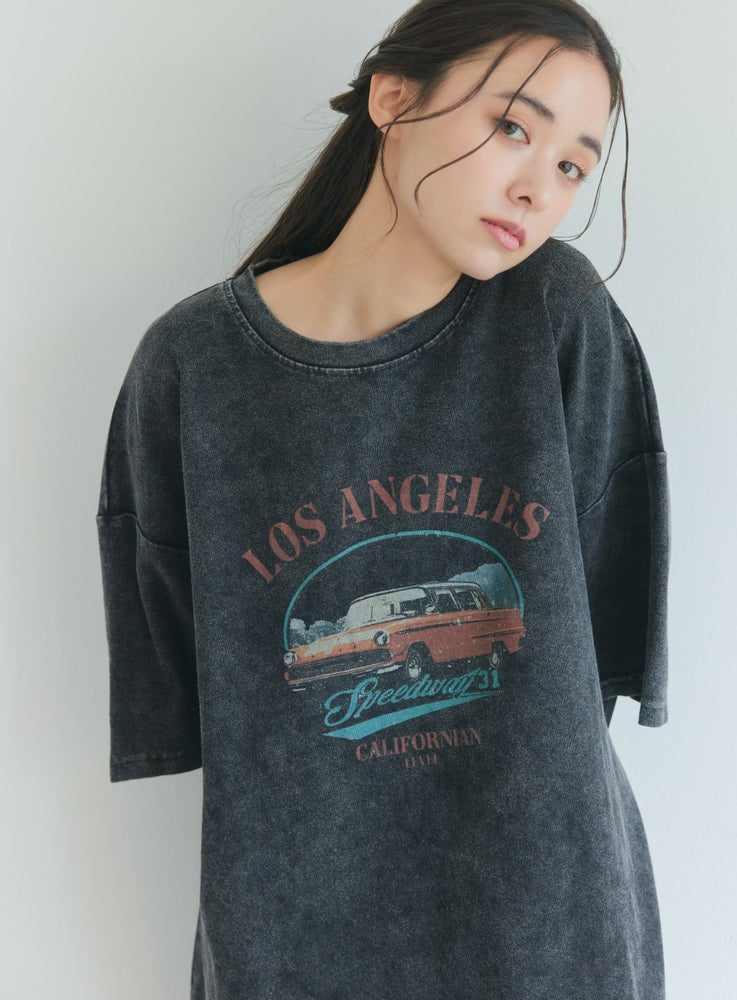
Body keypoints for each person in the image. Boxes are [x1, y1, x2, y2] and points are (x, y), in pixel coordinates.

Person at [95, 1, 671, 998]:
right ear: (393, 99)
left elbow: (597, 634)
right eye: (513, 126)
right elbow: (187, 682)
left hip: (549, 926)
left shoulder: (556, 315)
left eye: (574, 167)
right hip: (293, 936)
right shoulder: (192, 367)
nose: (539, 187)